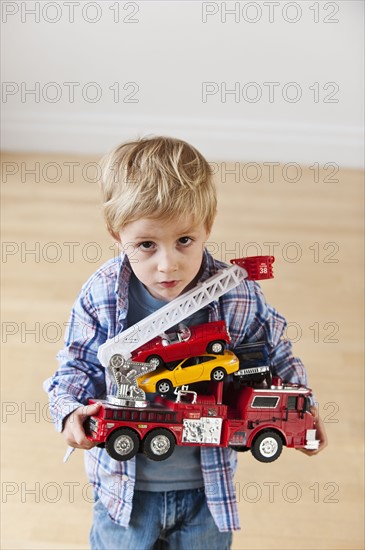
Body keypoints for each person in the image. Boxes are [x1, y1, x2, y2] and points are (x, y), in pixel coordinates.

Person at [44, 136, 328, 550]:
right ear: (115, 233)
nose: (167, 264)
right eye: (146, 245)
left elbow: (274, 352)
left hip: (206, 494)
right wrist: (69, 413)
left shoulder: (235, 294)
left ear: (207, 226)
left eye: (184, 240)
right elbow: (75, 367)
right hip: (124, 495)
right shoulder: (101, 295)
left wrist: (304, 407)